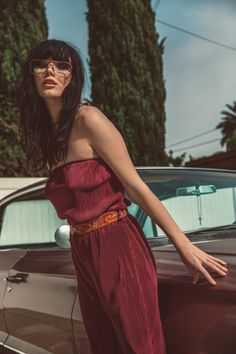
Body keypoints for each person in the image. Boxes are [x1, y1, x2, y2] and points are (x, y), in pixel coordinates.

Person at [19, 39, 228, 354]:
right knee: (104, 344)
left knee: (138, 345)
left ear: (72, 77)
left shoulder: (88, 118)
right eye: (41, 64)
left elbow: (135, 185)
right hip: (81, 247)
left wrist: (183, 245)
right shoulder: (49, 137)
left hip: (118, 241)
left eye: (62, 65)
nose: (51, 70)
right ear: (30, 73)